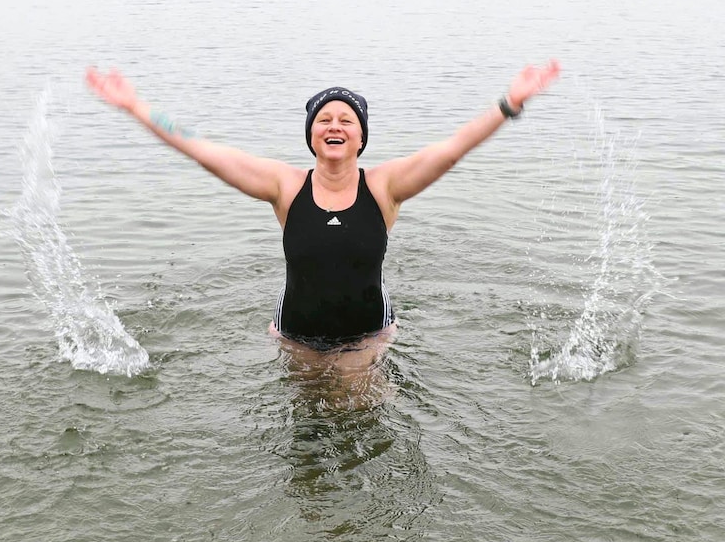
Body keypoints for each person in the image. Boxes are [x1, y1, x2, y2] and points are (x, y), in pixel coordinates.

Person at [85, 61, 561, 356]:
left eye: (346, 120)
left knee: (366, 428)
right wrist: (135, 107)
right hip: (296, 334)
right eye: (325, 120)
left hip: (368, 334)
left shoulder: (386, 186)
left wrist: (508, 104)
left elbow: (452, 149)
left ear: (360, 136)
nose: (334, 125)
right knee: (306, 448)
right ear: (312, 134)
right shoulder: (284, 186)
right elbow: (202, 150)